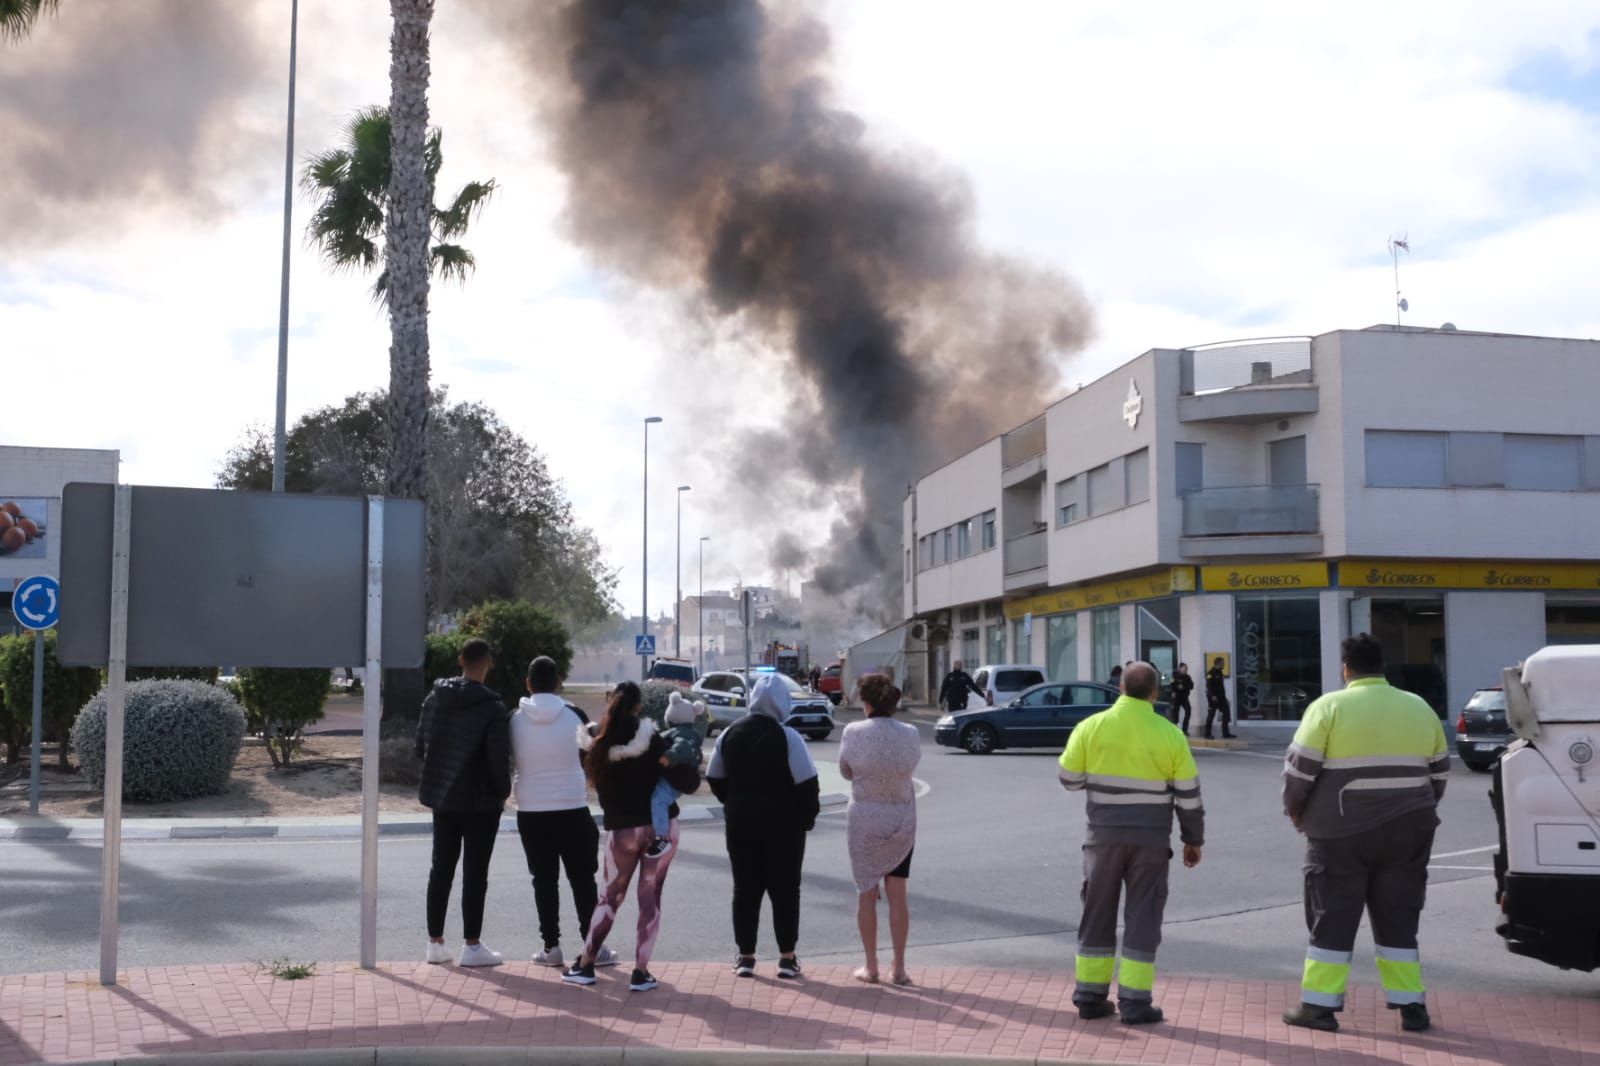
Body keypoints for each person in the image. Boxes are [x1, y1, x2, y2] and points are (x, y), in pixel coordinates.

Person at [1280, 634, 1450, 1034]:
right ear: (1382, 667)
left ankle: (1318, 1008)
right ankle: (1412, 1006)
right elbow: (1439, 774)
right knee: (1399, 918)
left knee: (1332, 917)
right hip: (1410, 830)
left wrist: (1297, 814)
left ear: (1346, 669)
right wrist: (1413, 811)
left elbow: (1298, 774)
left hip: (1339, 833)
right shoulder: (1418, 707)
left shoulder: (1329, 707)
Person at [1058, 661, 1204, 1025]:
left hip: (1102, 839)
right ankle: (1135, 1004)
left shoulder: (1091, 727)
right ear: (1155, 693)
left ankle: (1090, 997)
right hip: (1151, 842)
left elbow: (1069, 779)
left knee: (1097, 912)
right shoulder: (1170, 734)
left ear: (1120, 688)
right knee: (1143, 916)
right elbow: (1188, 796)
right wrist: (1192, 839)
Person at [562, 682, 698, 993]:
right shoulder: (651, 737)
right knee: (650, 901)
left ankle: (585, 965)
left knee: (609, 898)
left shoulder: (596, 742)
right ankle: (640, 972)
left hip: (620, 832)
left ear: (610, 703)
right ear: (639, 707)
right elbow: (684, 779)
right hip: (659, 829)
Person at [706, 672, 821, 979]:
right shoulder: (788, 737)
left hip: (740, 824)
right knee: (785, 890)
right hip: (784, 827)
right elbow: (808, 783)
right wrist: (807, 818)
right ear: (782, 703)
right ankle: (787, 957)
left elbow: (715, 777)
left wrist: (732, 801)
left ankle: (745, 957)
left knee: (745, 889)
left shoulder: (729, 733)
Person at [510, 655, 616, 970]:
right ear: (558, 683)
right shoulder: (575, 716)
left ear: (528, 683)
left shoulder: (514, 719)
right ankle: (592, 946)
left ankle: (550, 947)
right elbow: (590, 758)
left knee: (543, 880)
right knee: (582, 879)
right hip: (572, 806)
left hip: (531, 808)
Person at [415, 638, 512, 967]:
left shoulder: (435, 699)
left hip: (444, 798)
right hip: (482, 803)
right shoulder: (492, 708)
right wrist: (502, 791)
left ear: (460, 660)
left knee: (440, 867)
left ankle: (434, 943)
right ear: (488, 663)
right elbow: (499, 761)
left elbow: (420, 743)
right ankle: (471, 946)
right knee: (475, 873)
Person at [839, 673, 922, 986]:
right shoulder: (911, 732)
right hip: (901, 818)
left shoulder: (853, 731)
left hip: (864, 820)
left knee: (866, 891)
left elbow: (846, 771)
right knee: (898, 894)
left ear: (866, 702)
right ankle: (899, 968)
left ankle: (871, 966)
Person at [646, 692, 705, 860]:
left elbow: (682, 747)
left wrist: (669, 757)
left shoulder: (682, 735)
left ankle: (662, 838)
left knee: (658, 800)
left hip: (674, 779)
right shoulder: (687, 732)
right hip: (678, 778)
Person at [1204, 658, 1235, 739]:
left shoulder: (1220, 672)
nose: (1224, 665)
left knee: (1226, 714)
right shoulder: (1210, 673)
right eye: (1222, 663)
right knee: (1211, 715)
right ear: (1218, 664)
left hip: (1221, 698)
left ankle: (1226, 733)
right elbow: (1209, 686)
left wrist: (1224, 697)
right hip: (1213, 699)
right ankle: (1207, 734)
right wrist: (1212, 695)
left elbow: (1221, 687)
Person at [1169, 663, 1195, 733]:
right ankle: (1175, 730)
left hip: (1184, 698)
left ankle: (1185, 730)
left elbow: (1191, 686)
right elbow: (1172, 685)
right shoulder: (1174, 676)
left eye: (1187, 668)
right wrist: (1174, 691)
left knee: (1188, 711)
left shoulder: (1188, 677)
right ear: (1180, 668)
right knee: (1175, 714)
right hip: (1177, 698)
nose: (1186, 669)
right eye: (1185, 668)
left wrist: (1184, 687)